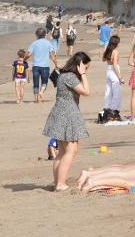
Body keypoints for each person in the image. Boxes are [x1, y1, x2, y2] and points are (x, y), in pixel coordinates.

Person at [42, 52, 91, 191]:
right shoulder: (70, 77)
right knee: (71, 150)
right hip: (67, 115)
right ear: (79, 65)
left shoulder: (64, 75)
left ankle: (57, 181)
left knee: (62, 152)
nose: (86, 70)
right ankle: (60, 183)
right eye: (85, 67)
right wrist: (83, 74)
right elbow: (86, 91)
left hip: (60, 114)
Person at [25, 28, 58, 103]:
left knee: (35, 83)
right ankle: (41, 92)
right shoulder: (48, 43)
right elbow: (52, 56)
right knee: (44, 82)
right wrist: (56, 64)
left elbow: (29, 54)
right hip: (45, 66)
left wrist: (24, 59)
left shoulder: (34, 43)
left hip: (36, 66)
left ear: (36, 35)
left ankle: (36, 99)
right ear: (45, 35)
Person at [102, 35, 124, 122]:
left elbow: (103, 59)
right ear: (116, 43)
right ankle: (114, 111)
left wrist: (105, 50)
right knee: (116, 93)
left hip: (108, 71)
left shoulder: (108, 50)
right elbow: (115, 64)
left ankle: (106, 109)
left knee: (108, 92)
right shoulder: (115, 51)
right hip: (114, 71)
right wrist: (120, 77)